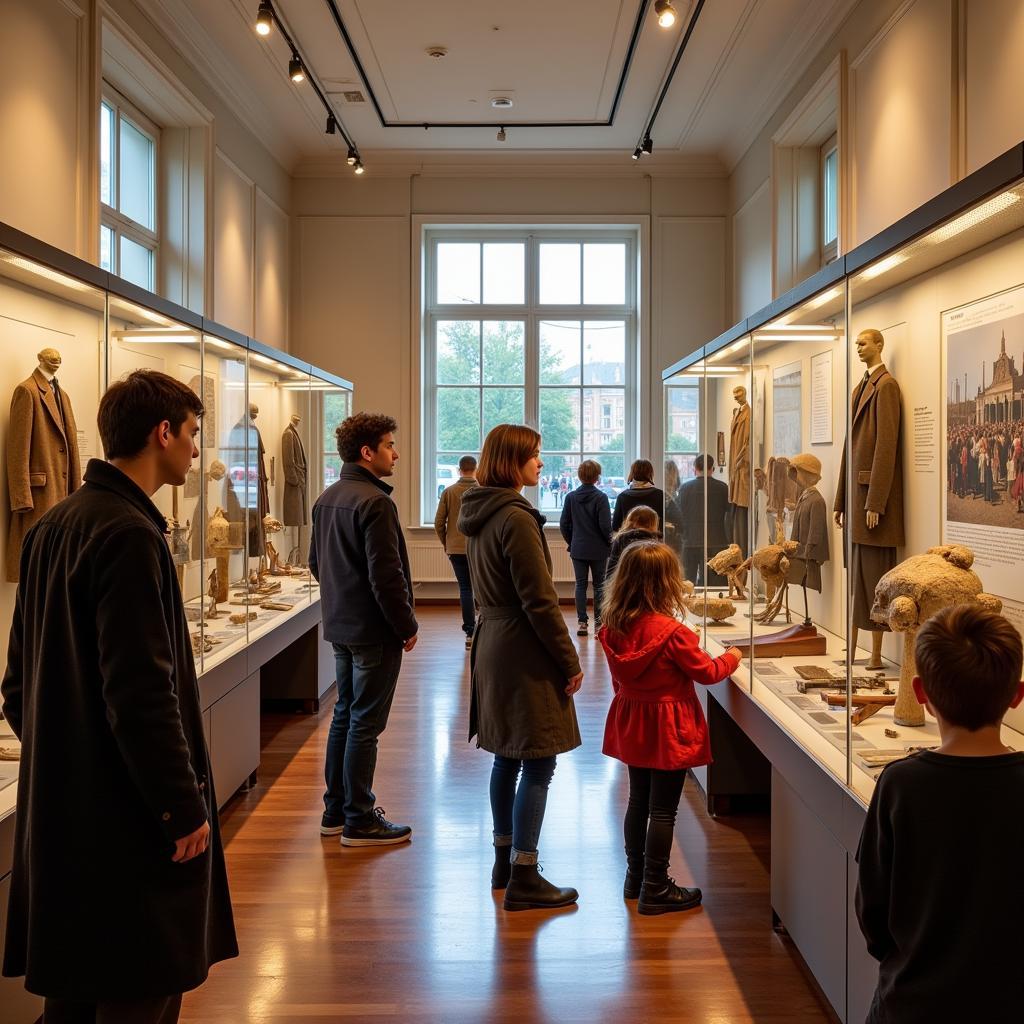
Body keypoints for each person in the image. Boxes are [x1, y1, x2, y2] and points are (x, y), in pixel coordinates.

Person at [1, 370, 237, 1022]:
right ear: (162, 432)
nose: (195, 449)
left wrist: (70, 759)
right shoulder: (130, 535)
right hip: (130, 824)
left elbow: (18, 686)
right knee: (139, 991)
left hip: (69, 819)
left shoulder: (56, 526)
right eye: (191, 433)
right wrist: (180, 806)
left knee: (74, 999)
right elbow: (141, 695)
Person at [856, 604, 1024, 1023]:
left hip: (914, 1002)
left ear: (920, 693)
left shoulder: (900, 784)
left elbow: (872, 911)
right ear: (1017, 695)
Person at [458, 424, 583, 911]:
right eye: (534, 456)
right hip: (522, 647)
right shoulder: (516, 517)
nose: (541, 464)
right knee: (538, 758)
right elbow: (540, 600)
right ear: (513, 461)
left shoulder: (480, 511)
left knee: (506, 756)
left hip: (493, 641)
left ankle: (504, 860)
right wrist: (569, 659)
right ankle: (526, 875)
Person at [599, 542, 741, 914]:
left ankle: (635, 878)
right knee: (664, 810)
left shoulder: (613, 627)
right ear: (666, 583)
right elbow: (708, 673)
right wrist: (734, 656)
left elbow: (620, 677)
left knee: (638, 801)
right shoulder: (673, 633)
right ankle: (656, 887)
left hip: (632, 718)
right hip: (668, 725)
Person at [311, 412, 418, 847]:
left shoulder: (328, 497)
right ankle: (358, 818)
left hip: (341, 625)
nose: (396, 452)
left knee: (345, 717)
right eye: (390, 445)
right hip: (373, 630)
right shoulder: (375, 502)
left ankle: (334, 811)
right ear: (367, 452)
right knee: (364, 724)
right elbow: (386, 577)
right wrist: (406, 624)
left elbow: (316, 565)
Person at [559, 459, 612, 638]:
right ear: (597, 477)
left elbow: (563, 524)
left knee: (580, 585)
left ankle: (582, 623)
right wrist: (610, 543)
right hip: (598, 549)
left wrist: (572, 541)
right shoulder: (601, 497)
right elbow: (605, 526)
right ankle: (598, 625)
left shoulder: (571, 497)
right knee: (599, 586)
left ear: (580, 476)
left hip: (578, 548)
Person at [434, 454, 479, 649]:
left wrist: (447, 542)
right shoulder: (482, 491)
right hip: (478, 548)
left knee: (465, 589)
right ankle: (483, 631)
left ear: (459, 469)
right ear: (475, 469)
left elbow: (438, 522)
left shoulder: (449, 492)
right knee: (481, 587)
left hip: (455, 548)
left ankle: (469, 632)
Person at [676, 454, 730, 586]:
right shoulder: (723, 488)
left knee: (688, 583)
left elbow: (679, 514)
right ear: (713, 468)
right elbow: (729, 515)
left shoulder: (685, 488)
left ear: (695, 469)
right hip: (716, 540)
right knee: (714, 585)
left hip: (690, 540)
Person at [606, 504, 661, 578]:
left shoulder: (621, 538)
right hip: (648, 582)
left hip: (623, 581)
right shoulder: (656, 540)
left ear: (630, 520)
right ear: (653, 522)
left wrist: (608, 586)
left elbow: (612, 567)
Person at [612, 459, 664, 532]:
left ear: (632, 473)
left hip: (629, 541)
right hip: (654, 540)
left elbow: (615, 526)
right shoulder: (660, 495)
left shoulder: (622, 497)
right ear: (650, 473)